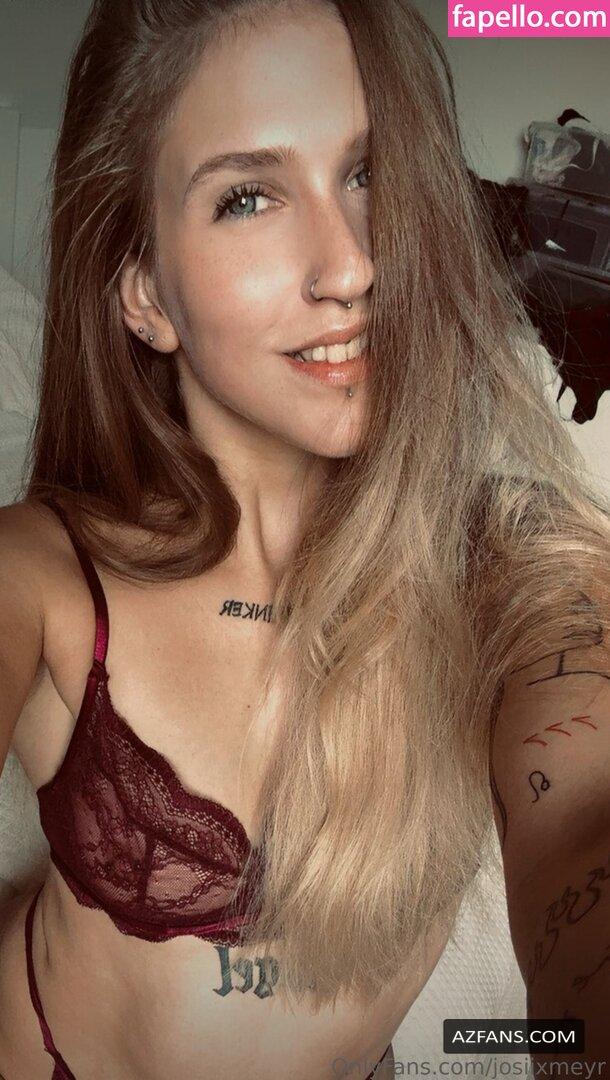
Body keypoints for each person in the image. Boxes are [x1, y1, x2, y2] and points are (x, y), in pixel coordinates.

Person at [0, 0, 609, 1077]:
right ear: (144, 293)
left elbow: (584, 827)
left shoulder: (506, 560)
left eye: (368, 174)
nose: (353, 266)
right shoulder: (43, 572)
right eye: (247, 196)